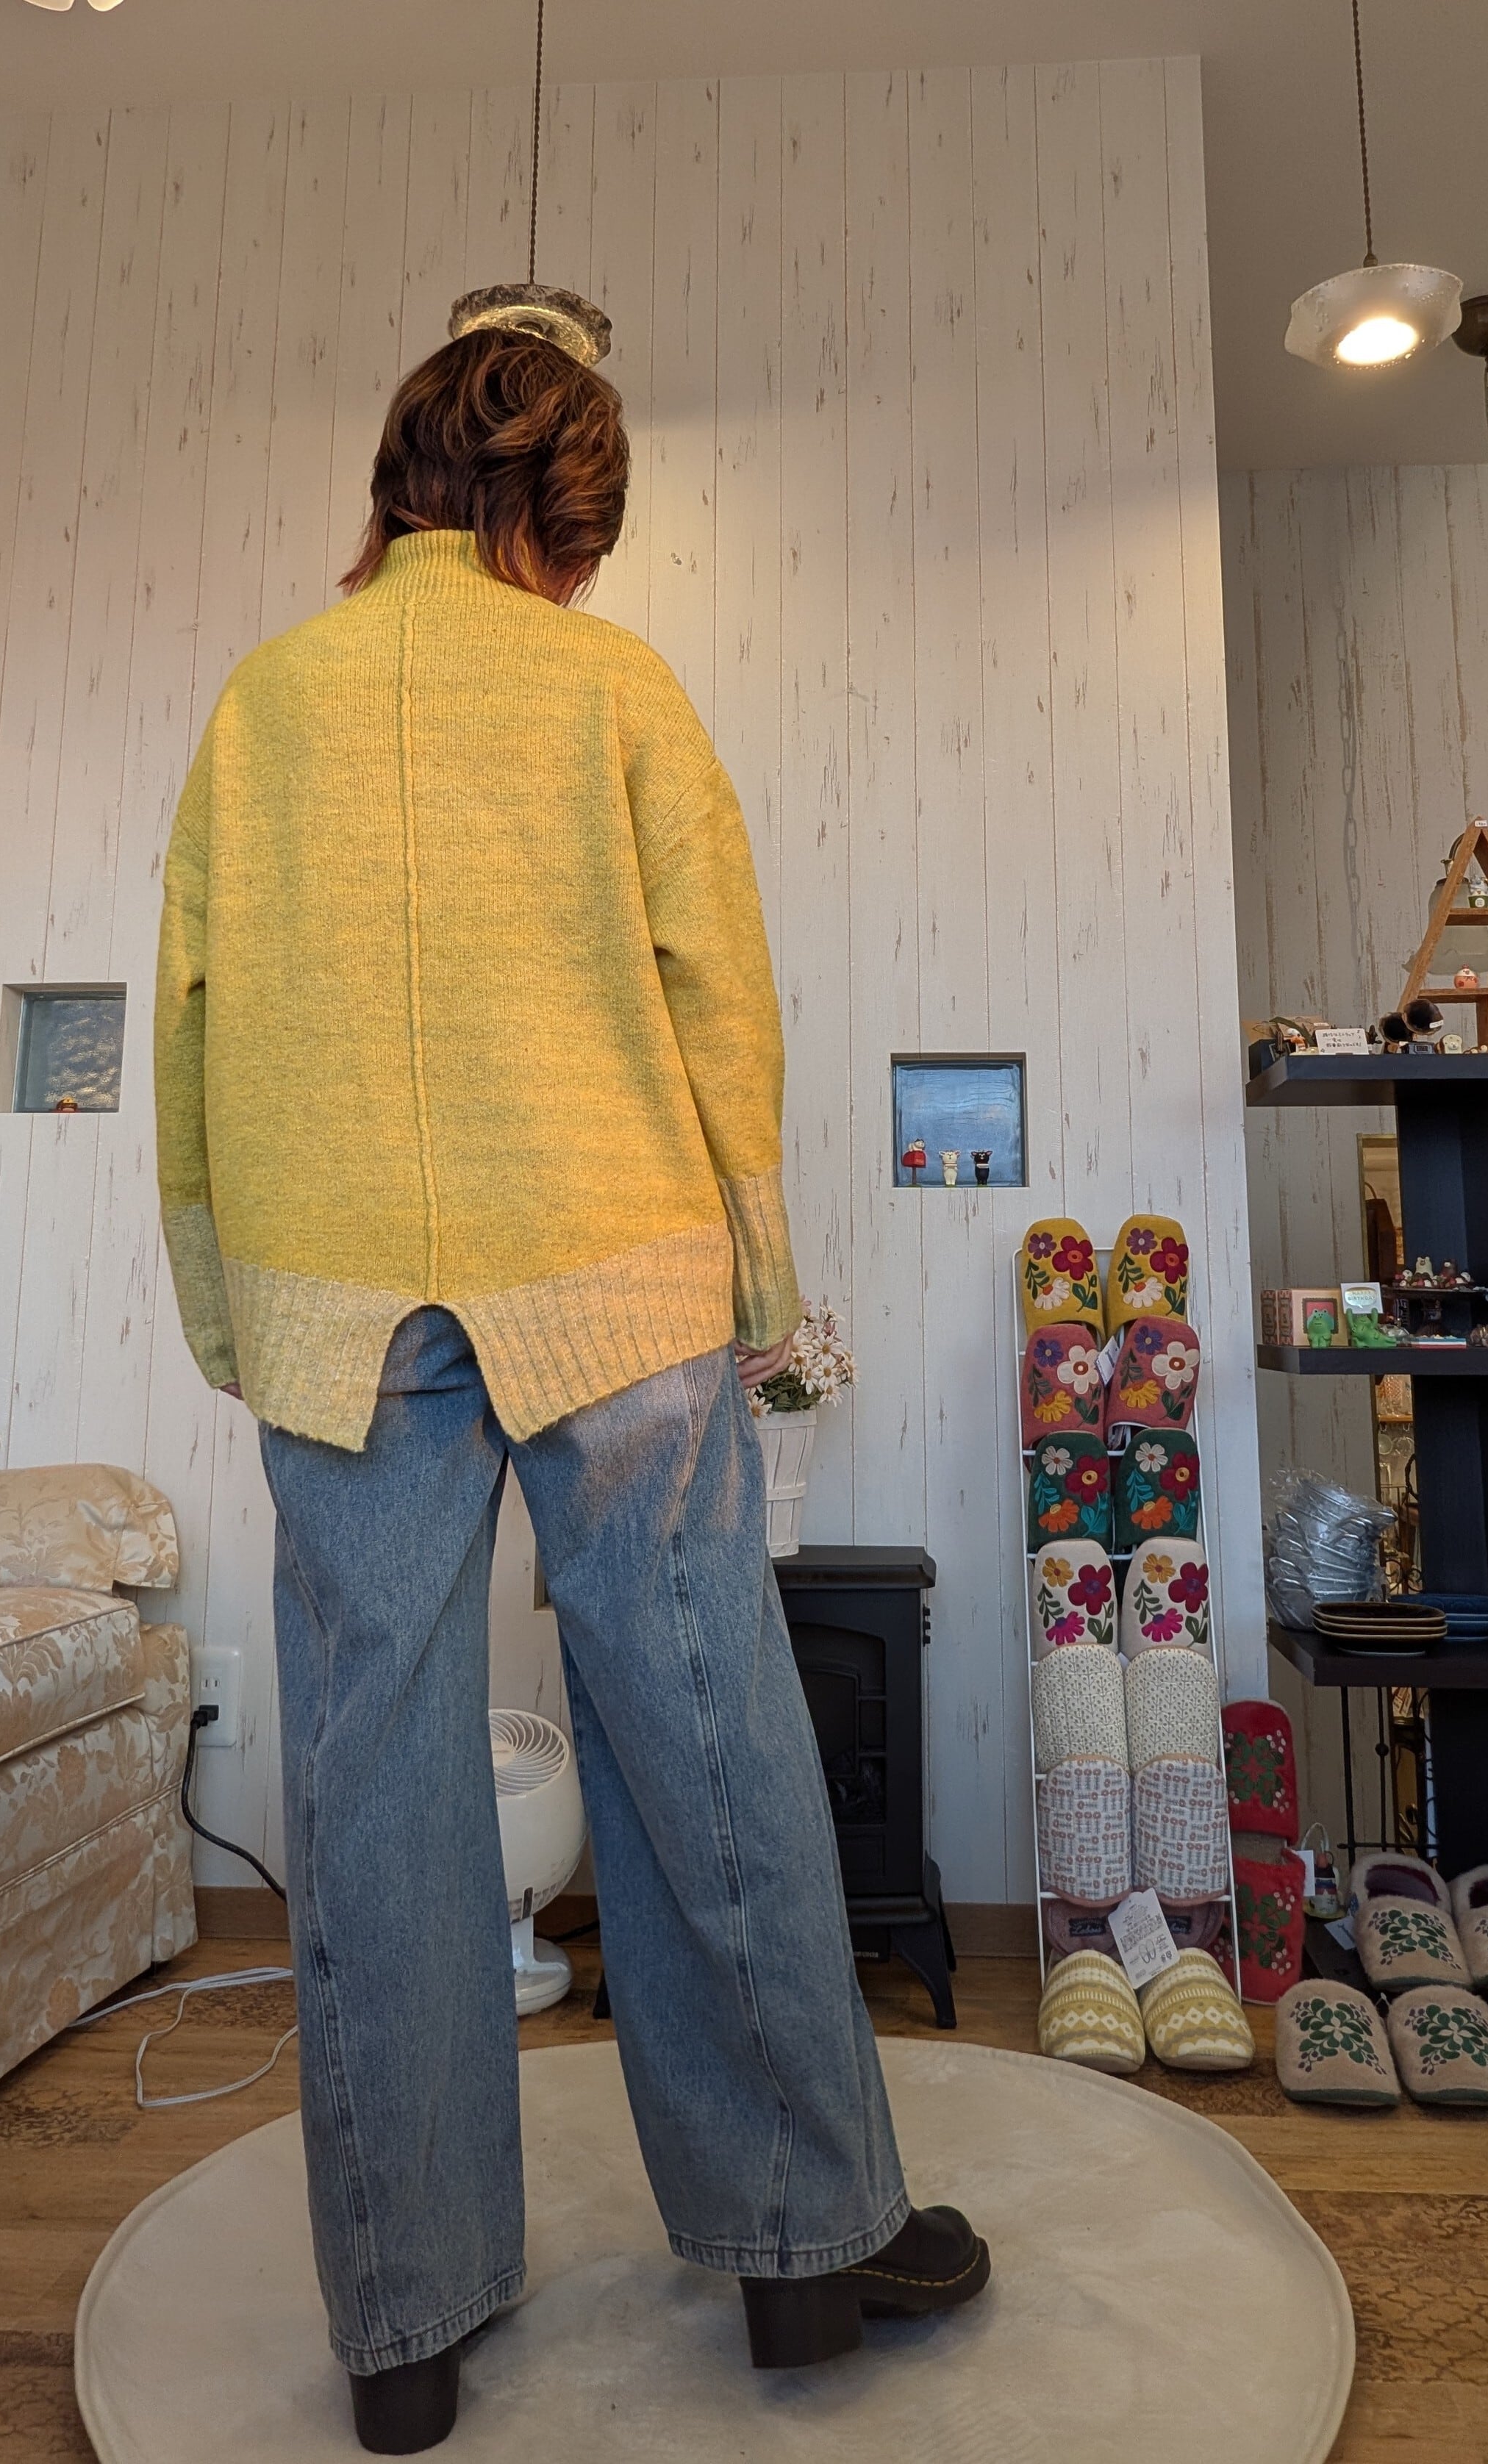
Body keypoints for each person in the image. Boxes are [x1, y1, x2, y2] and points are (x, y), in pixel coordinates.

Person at [154, 326, 988, 2455]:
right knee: (699, 1718)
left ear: (404, 481)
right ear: (566, 512)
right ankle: (804, 2253)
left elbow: (192, 1018)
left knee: (368, 1768)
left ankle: (404, 2327)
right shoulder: (616, 690)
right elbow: (722, 999)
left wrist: (227, 1303)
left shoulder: (264, 700)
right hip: (615, 1267)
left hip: (337, 1286)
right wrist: (765, 1272)